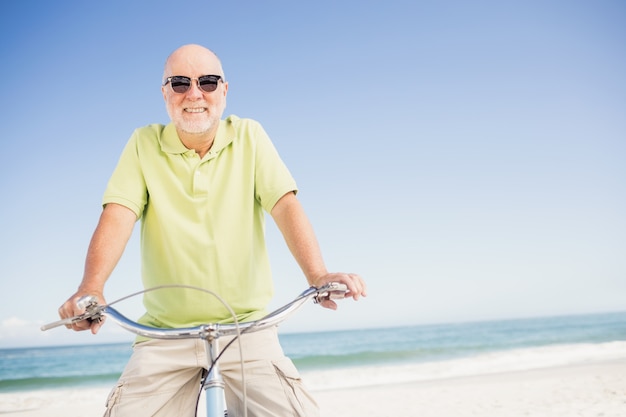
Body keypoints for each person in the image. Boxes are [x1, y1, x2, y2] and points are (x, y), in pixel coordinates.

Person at [57, 44, 367, 417]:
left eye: (207, 81)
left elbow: (284, 206)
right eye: (180, 83)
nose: (194, 94)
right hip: (164, 335)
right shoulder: (143, 144)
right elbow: (118, 214)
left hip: (247, 329)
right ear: (164, 93)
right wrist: (91, 287)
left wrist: (318, 275)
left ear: (224, 90)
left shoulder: (250, 136)